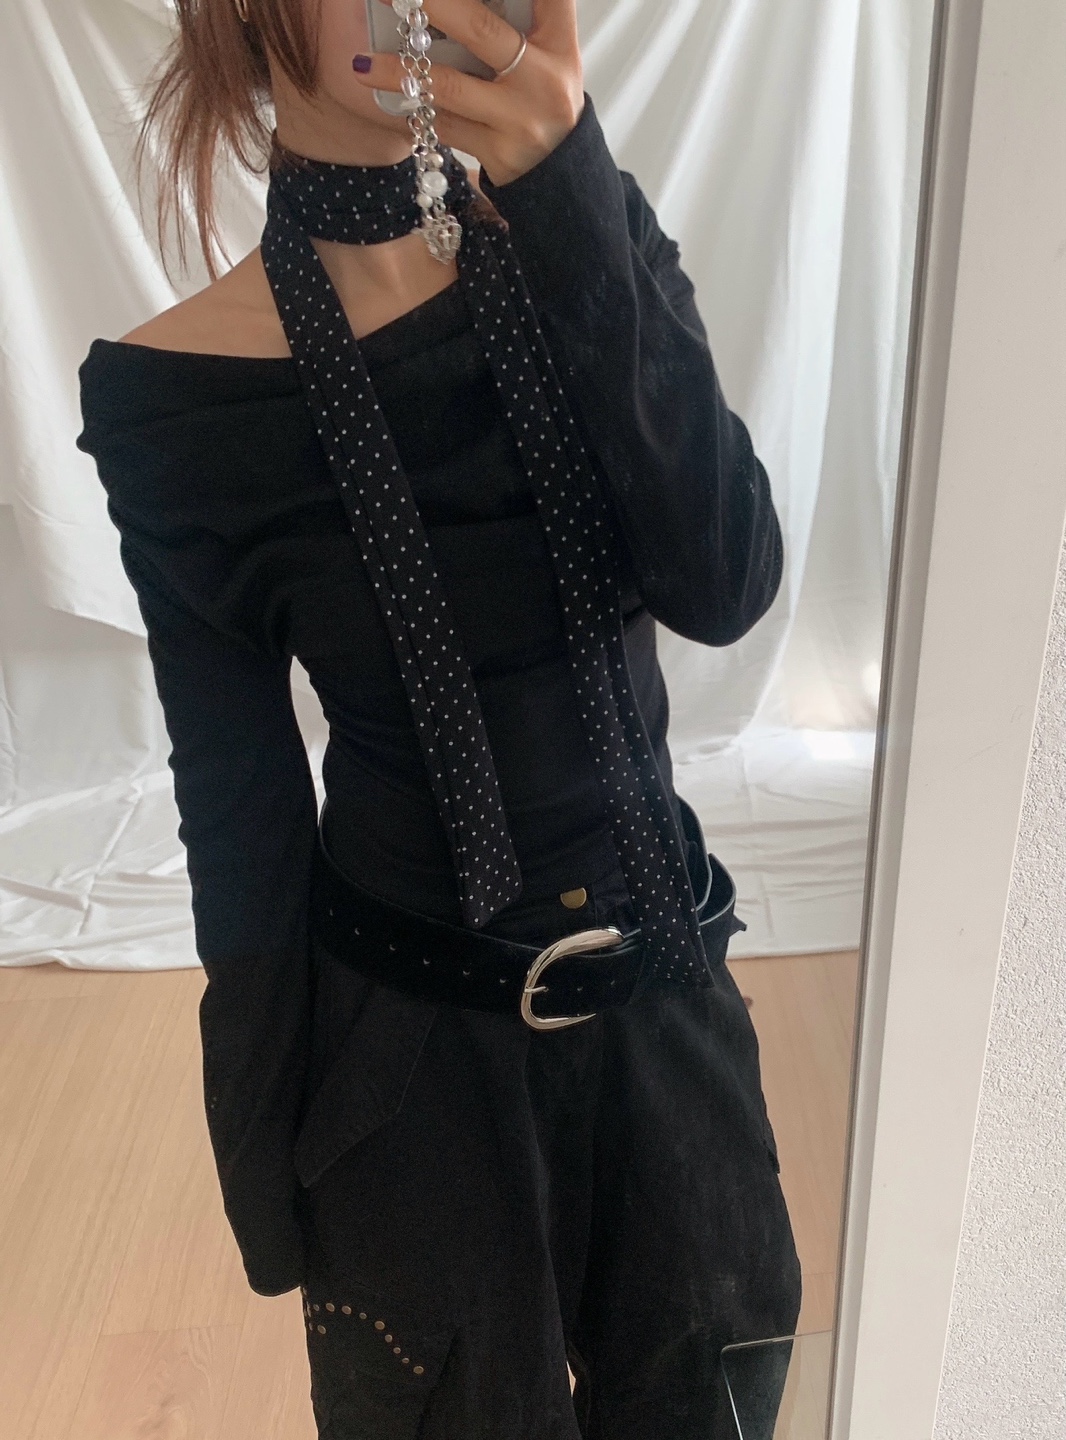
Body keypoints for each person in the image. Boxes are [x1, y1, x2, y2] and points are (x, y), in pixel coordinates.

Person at [77, 0, 801, 1434]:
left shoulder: (588, 237)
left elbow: (723, 582)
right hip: (405, 1085)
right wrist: (267, 1163)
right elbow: (239, 811)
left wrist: (573, 183)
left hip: (670, 1023)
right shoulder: (173, 398)